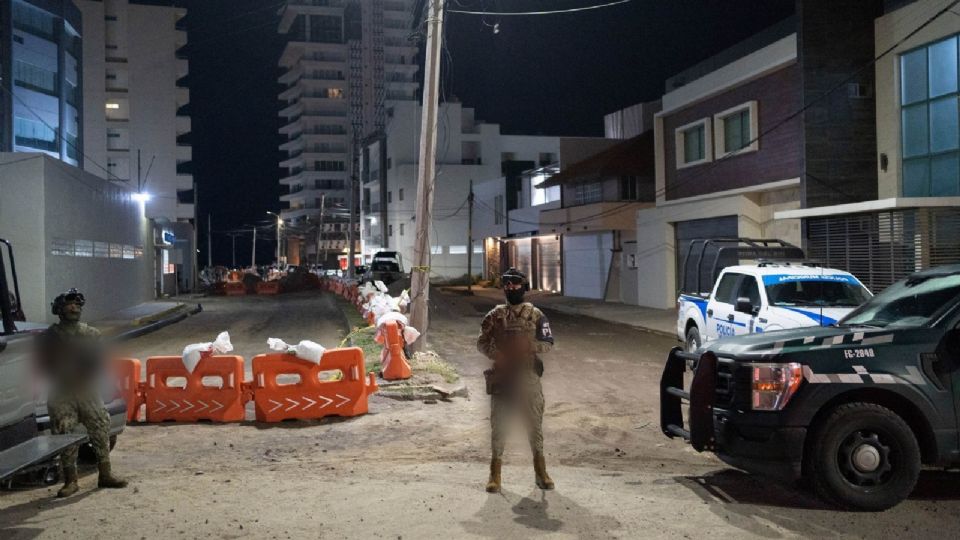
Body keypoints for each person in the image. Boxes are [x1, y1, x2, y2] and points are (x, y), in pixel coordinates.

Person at [35, 289, 128, 497]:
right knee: (63, 431)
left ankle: (105, 473)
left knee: (100, 426)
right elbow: (43, 363)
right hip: (62, 390)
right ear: (59, 309)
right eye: (69, 305)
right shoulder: (49, 337)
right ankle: (70, 480)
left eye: (77, 305)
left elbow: (97, 361)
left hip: (86, 389)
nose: (74, 308)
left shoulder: (91, 334)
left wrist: (83, 372)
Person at [476, 268, 555, 493]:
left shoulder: (536, 315)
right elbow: (481, 342)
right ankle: (495, 475)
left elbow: (548, 343)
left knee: (534, 426)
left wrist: (530, 347)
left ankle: (541, 472)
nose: (511, 287)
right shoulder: (495, 315)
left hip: (528, 378)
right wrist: (496, 354)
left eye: (515, 283)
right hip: (503, 378)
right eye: (507, 284)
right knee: (499, 427)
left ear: (524, 286)